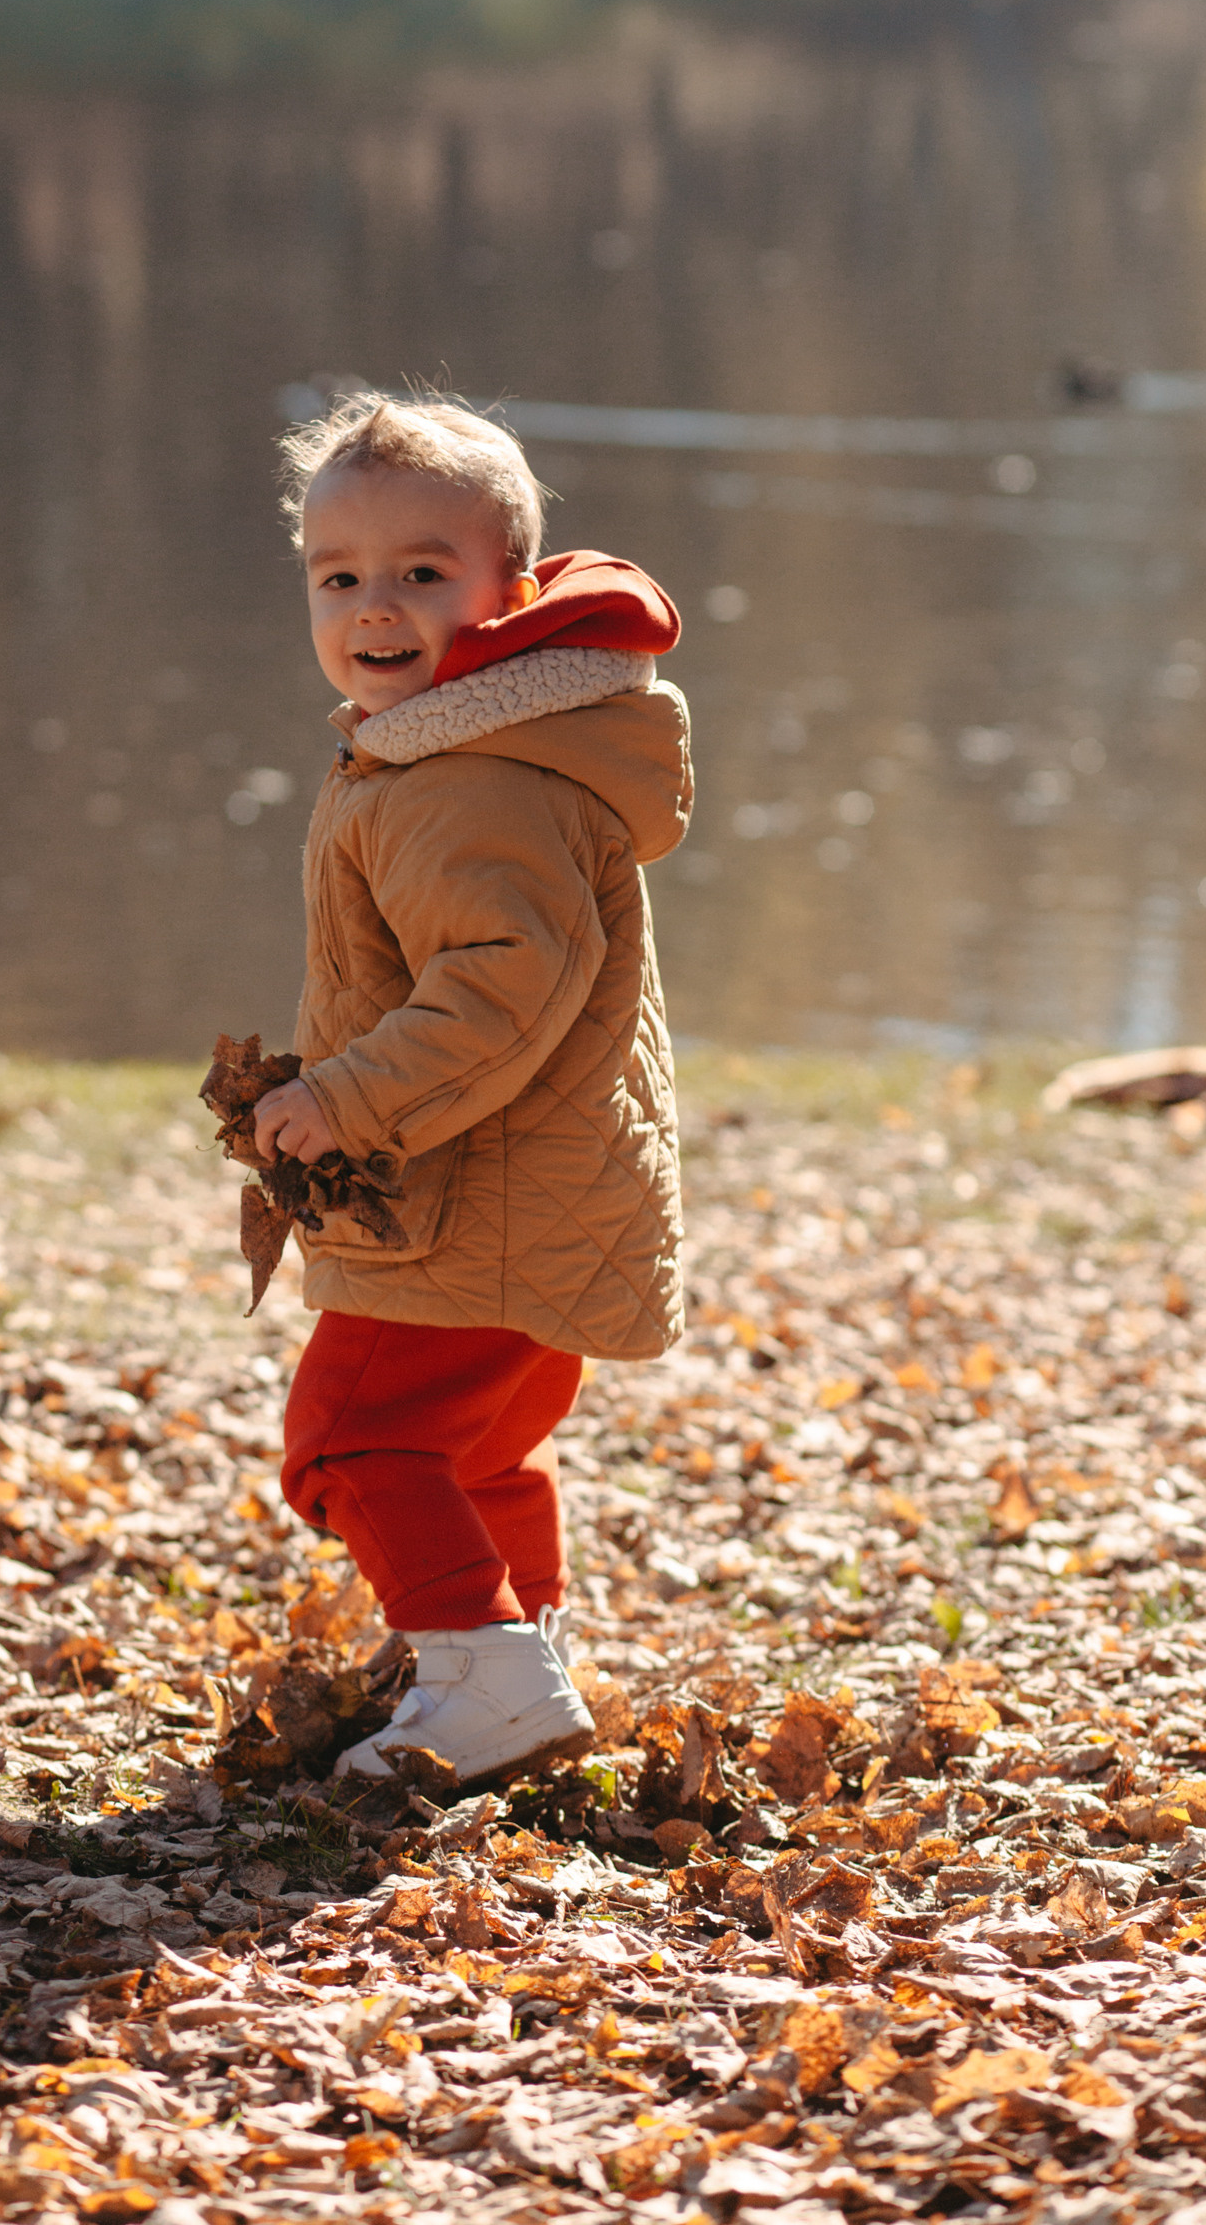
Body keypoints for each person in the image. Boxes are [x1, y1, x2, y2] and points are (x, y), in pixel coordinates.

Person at [254, 391, 692, 1782]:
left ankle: (487, 1674)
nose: (374, 606)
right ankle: (508, 1655)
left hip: (468, 1199)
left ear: (509, 592)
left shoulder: (472, 780)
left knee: (350, 1435)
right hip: (527, 1191)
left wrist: (347, 1102)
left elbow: (503, 984)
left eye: (422, 575)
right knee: (484, 1450)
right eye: (341, 578)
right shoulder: (457, 745)